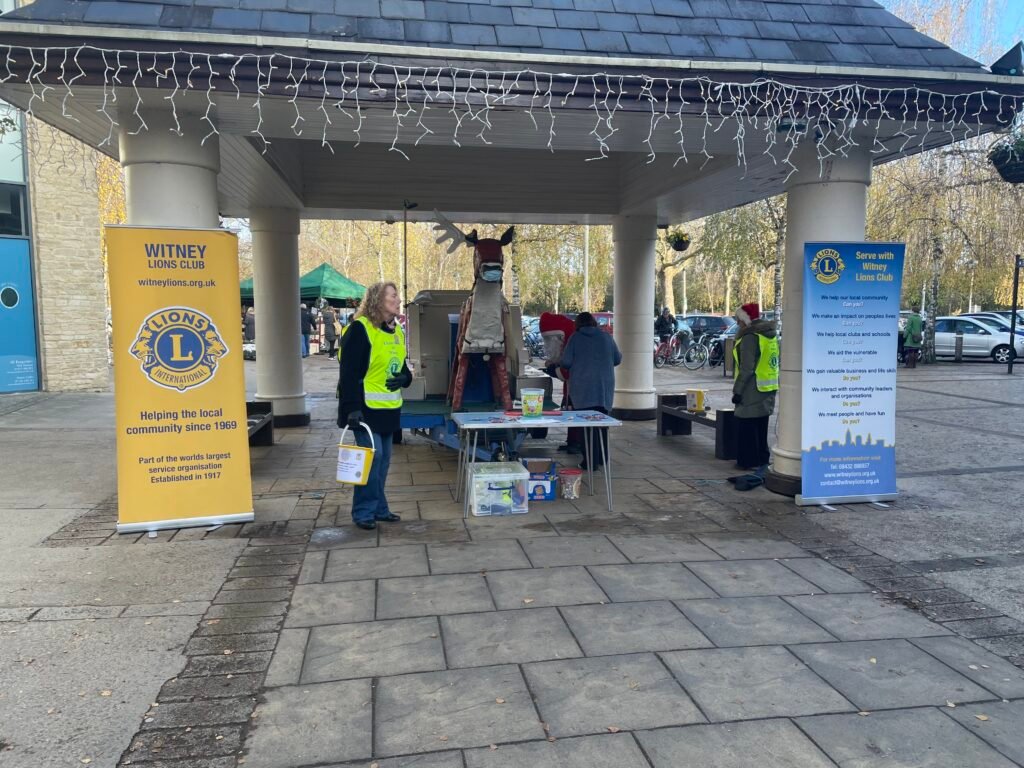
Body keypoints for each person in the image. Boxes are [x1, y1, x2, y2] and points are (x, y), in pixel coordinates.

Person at [337, 282, 412, 530]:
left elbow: (399, 364)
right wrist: (351, 408)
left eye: (397, 295)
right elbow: (348, 372)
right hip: (364, 409)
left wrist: (406, 378)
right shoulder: (360, 329)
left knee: (384, 459)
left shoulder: (397, 330)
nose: (398, 300)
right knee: (373, 458)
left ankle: (379, 508)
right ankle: (363, 512)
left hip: (388, 408)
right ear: (378, 300)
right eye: (393, 296)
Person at [560, 312, 622, 471]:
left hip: (582, 388)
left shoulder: (575, 338)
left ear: (578, 324)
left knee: (586, 424)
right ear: (594, 322)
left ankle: (589, 461)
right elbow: (617, 359)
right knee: (602, 422)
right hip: (603, 387)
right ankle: (602, 458)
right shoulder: (607, 337)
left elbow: (566, 362)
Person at [730, 302, 779, 490]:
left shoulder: (750, 337)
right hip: (768, 386)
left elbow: (747, 367)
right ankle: (761, 459)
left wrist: (738, 390)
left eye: (738, 319)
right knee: (761, 424)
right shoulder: (769, 335)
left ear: (745, 320)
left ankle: (747, 460)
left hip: (752, 387)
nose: (737, 322)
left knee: (746, 423)